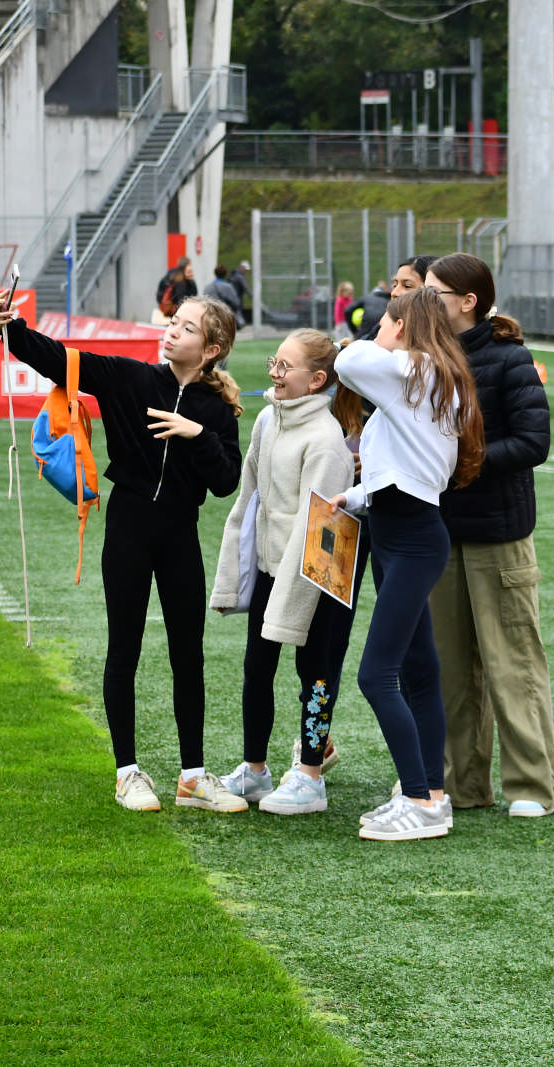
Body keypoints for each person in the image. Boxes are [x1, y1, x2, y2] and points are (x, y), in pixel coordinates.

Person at [0, 293, 245, 811]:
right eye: (173, 322)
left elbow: (225, 482)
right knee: (123, 650)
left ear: (211, 349)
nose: (172, 331)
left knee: (188, 655)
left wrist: (197, 434)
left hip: (180, 534)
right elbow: (60, 360)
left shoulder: (217, 411)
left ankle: (193, 777)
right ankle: (127, 773)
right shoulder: (130, 378)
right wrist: (11, 327)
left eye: (187, 328)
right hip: (128, 528)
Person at [328, 288, 485, 841]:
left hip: (413, 539)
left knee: (376, 675)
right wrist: (355, 497)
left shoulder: (415, 370)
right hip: (402, 530)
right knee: (418, 670)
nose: (377, 332)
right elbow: (407, 466)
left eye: (386, 323)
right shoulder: (430, 375)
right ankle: (430, 796)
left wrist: (383, 338)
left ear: (402, 326)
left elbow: (347, 362)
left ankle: (419, 798)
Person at [423, 252, 554, 818]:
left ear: (468, 301)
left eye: (433, 292)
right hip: (439, 534)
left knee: (513, 666)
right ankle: (462, 786)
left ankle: (532, 787)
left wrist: (464, 461)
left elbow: (534, 442)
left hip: (499, 536)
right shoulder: (422, 359)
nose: (423, 301)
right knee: (450, 670)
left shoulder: (511, 358)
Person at [210, 329, 357, 815]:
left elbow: (317, 530)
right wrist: (237, 571)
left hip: (317, 578)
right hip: (272, 568)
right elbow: (248, 500)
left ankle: (311, 776)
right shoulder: (267, 421)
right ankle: (254, 770)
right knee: (257, 667)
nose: (274, 373)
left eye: (285, 367)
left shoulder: (326, 440)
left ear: (316, 380)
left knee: (315, 674)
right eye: (273, 362)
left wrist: (289, 600)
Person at [154, 256, 193, 323]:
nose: (191, 268)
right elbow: (181, 300)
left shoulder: (172, 275)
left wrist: (162, 303)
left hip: (169, 309)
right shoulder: (181, 283)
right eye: (189, 265)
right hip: (177, 312)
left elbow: (160, 291)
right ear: (184, 268)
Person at [230, 260, 253, 327]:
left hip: (232, 297)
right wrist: (252, 295)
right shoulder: (239, 276)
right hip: (237, 297)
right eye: (245, 269)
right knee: (238, 311)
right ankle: (240, 324)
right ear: (242, 268)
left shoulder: (234, 274)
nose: (246, 271)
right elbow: (246, 287)